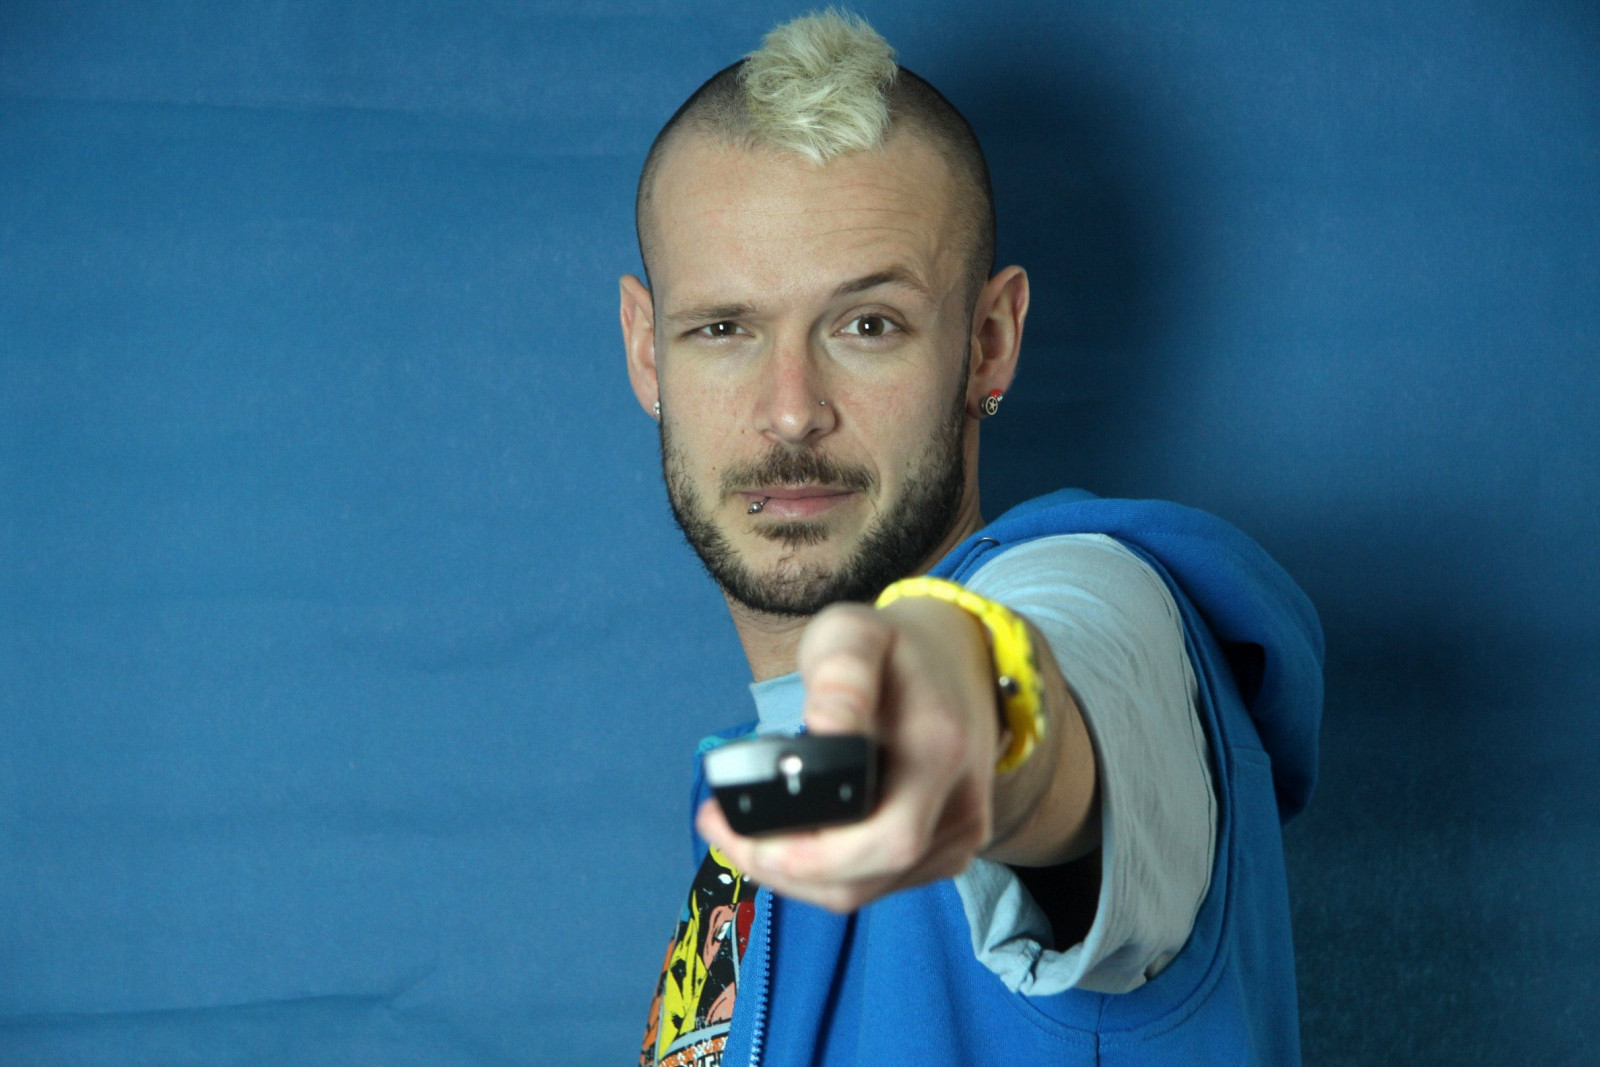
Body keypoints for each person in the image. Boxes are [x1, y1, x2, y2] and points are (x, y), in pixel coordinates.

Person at [619, 11, 1323, 1066]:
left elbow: (1064, 676)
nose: (791, 409)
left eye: (868, 324)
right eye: (724, 328)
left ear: (988, 342)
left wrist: (986, 720)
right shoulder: (764, 798)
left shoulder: (1104, 603)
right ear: (647, 353)